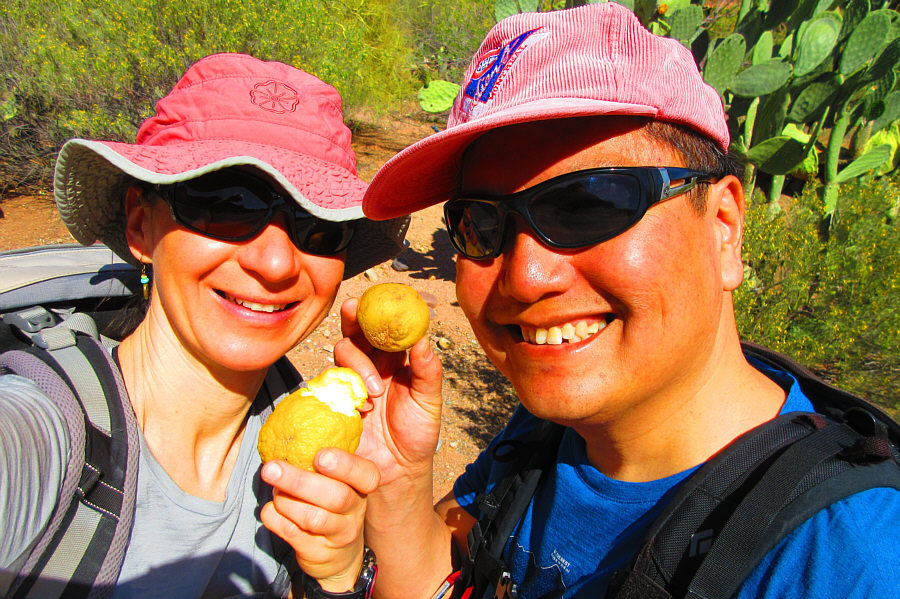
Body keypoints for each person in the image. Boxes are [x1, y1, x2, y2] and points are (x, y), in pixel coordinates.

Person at [296, 4, 899, 598]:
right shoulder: (544, 440)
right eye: (480, 222)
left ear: (723, 228)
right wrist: (401, 489)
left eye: (589, 204)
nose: (527, 277)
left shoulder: (852, 560)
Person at [0, 52, 406, 598]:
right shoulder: (34, 436)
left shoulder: (308, 443)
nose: (277, 263)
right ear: (141, 226)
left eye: (319, 225)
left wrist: (337, 578)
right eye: (228, 204)